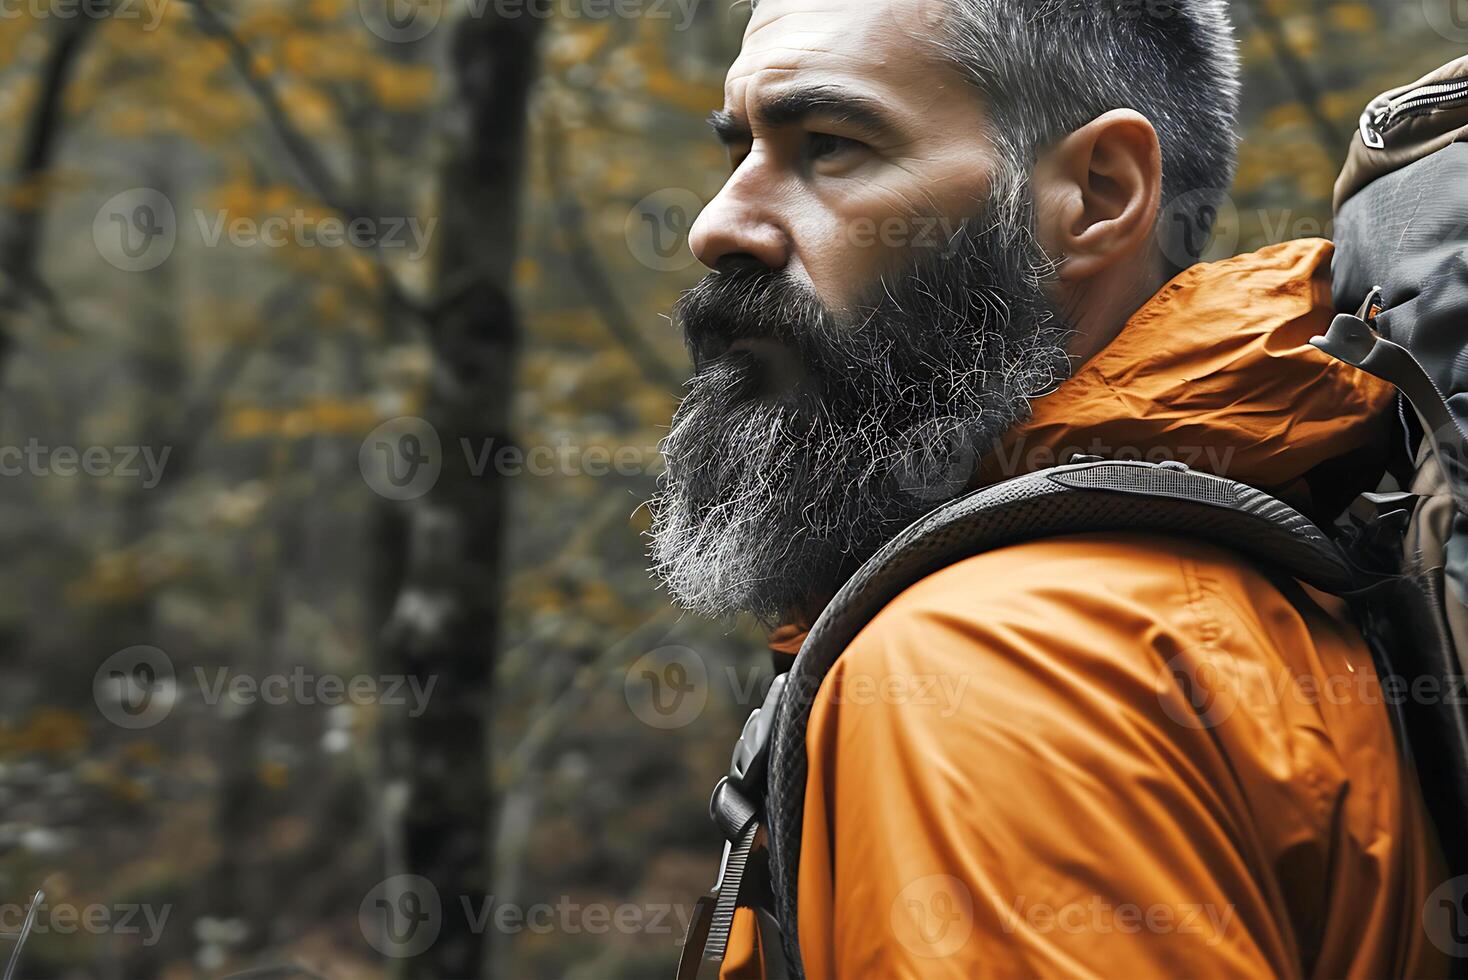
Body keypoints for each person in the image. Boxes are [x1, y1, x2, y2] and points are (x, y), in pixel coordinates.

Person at [646, 0, 1445, 975]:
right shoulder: (1239, 582)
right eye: (739, 151)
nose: (716, 225)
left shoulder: (998, 660)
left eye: (829, 146)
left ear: (1096, 195)